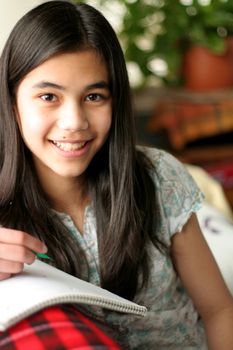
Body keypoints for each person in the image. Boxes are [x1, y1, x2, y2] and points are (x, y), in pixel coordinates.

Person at [0, 1, 232, 349]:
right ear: (12, 101)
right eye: (49, 96)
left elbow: (219, 310)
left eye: (94, 96)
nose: (75, 122)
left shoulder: (158, 179)